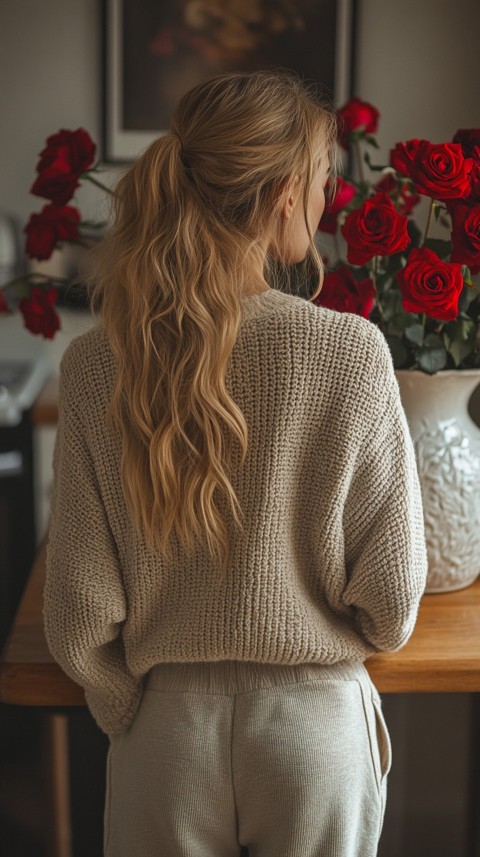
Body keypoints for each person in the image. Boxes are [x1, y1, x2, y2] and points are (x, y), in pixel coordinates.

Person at [44, 70, 428, 857]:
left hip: (165, 740)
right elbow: (391, 599)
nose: (324, 204)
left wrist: (138, 711)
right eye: (323, 180)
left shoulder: (92, 366)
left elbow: (79, 612)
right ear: (286, 191)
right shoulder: (351, 353)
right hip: (313, 734)